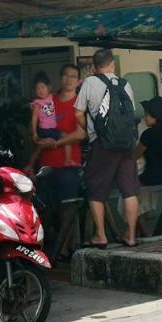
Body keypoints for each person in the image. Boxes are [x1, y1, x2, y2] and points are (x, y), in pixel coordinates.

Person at [74, 48, 140, 248]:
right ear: (112, 64)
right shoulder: (125, 84)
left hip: (102, 144)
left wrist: (88, 129)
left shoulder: (89, 82)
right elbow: (131, 114)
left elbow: (78, 112)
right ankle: (130, 236)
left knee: (96, 190)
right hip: (126, 145)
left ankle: (101, 235)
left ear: (93, 67)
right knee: (129, 191)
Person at [36, 64, 84, 258]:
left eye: (73, 76)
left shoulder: (80, 104)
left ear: (79, 81)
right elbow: (40, 128)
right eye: (65, 75)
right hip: (46, 164)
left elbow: (81, 134)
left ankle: (67, 247)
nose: (68, 79)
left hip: (69, 165)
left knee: (68, 208)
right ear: (60, 78)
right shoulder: (49, 100)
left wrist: (56, 142)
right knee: (48, 209)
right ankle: (53, 248)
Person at [24, 72, 58, 174]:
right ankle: (30, 166)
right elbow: (34, 118)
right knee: (39, 149)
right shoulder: (37, 103)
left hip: (55, 129)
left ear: (49, 88)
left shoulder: (53, 97)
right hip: (44, 130)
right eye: (38, 89)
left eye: (43, 87)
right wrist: (34, 132)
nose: (40, 90)